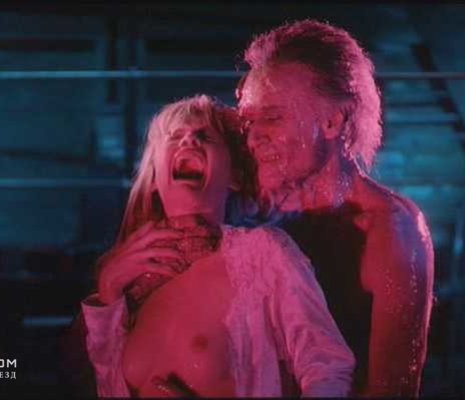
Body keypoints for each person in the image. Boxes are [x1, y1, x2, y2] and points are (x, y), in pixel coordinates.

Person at [76, 94, 354, 397]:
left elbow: (327, 367)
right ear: (154, 177)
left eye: (204, 136)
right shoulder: (131, 282)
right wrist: (108, 291)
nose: (189, 141)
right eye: (174, 137)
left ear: (235, 176)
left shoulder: (262, 253)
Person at [236, 20, 435, 397]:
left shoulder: (391, 229)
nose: (254, 137)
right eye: (248, 121)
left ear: (333, 121)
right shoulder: (251, 213)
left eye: (273, 117)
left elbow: (391, 391)